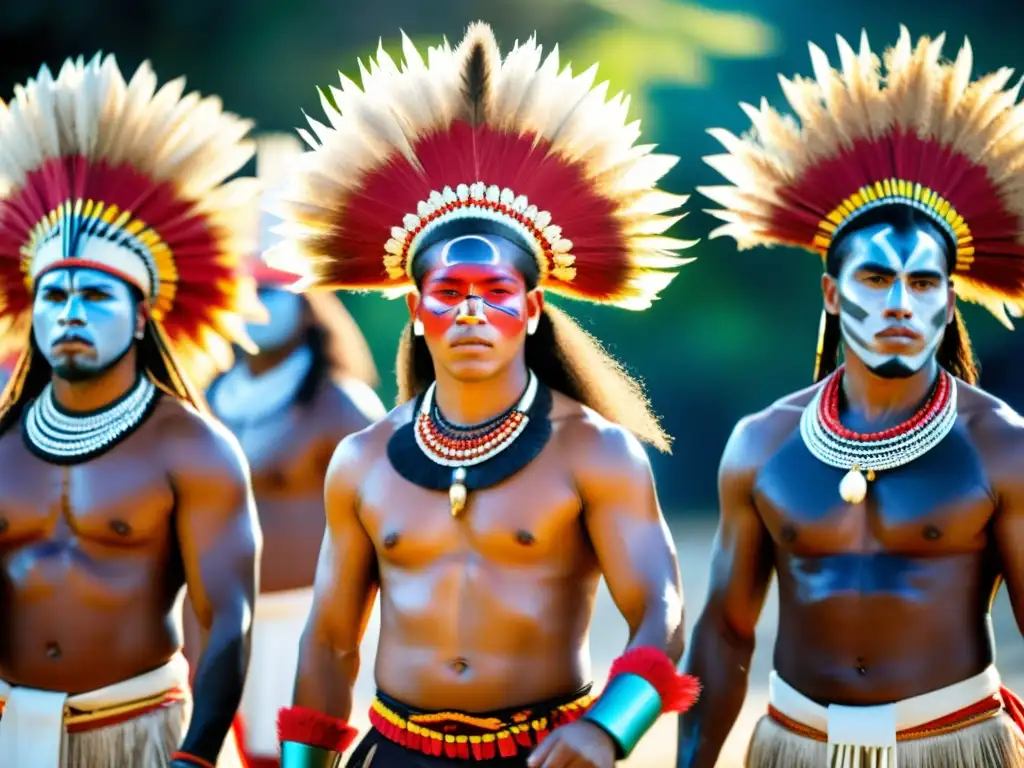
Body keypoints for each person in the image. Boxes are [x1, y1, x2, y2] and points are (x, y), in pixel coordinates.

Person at [267, 22, 701, 768]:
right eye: (448, 292)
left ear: (533, 309)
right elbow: (331, 640)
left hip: (549, 753)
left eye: (496, 291)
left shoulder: (594, 452)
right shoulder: (363, 459)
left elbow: (660, 609)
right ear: (414, 308)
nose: (470, 312)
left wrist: (608, 729)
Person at [678, 26, 1024, 767]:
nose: (901, 303)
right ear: (832, 293)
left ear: (950, 301)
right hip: (793, 746)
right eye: (875, 279)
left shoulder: (999, 444)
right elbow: (726, 631)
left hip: (955, 746)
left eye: (924, 283)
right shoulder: (763, 443)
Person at [0, 54, 262, 768]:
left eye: (96, 297)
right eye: (54, 296)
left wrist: (199, 753)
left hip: (145, 732)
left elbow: (225, 616)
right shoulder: (3, 444)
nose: (71, 315)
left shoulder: (194, 448)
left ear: (142, 316)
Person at [188, 133, 386, 768]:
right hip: (219, 613)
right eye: (248, 293)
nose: (257, 308)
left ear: (307, 308)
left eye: (272, 293)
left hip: (307, 617)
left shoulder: (341, 403)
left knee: (287, 757)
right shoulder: (208, 396)